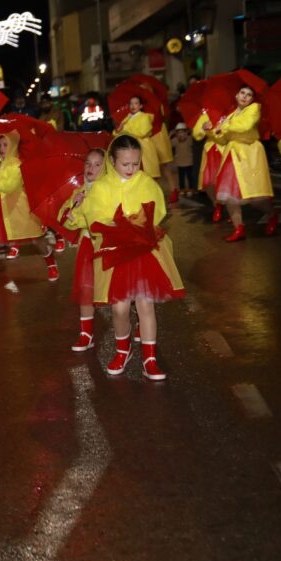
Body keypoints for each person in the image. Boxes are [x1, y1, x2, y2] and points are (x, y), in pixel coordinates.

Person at [72, 135, 185, 380]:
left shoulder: (146, 183)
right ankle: (124, 350)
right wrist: (113, 224)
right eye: (126, 164)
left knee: (145, 303)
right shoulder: (101, 188)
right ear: (112, 161)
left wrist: (137, 224)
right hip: (115, 252)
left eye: (135, 163)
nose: (132, 169)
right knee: (120, 308)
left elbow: (157, 211)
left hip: (142, 250)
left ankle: (150, 358)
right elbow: (94, 217)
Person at [0, 131, 58, 290]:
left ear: (13, 146)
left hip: (19, 210)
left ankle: (51, 262)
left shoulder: (17, 165)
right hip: (0, 210)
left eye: (5, 145)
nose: (1, 148)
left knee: (36, 240)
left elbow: (9, 186)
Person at [208, 85, 278, 242]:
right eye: (242, 93)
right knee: (230, 196)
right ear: (236, 95)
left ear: (252, 99)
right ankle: (239, 228)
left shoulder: (254, 109)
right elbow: (223, 139)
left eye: (249, 94)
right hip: (232, 156)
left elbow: (245, 126)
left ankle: (272, 214)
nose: (245, 97)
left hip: (249, 155)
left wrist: (224, 126)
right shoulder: (230, 115)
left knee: (254, 197)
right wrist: (210, 131)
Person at [59, 148, 106, 351]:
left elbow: (100, 219)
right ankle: (86, 333)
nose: (91, 168)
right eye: (88, 163)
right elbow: (68, 221)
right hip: (87, 244)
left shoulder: (108, 191)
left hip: (107, 244)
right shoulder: (79, 192)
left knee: (117, 290)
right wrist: (74, 209)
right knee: (86, 288)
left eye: (97, 164)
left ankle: (137, 324)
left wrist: (82, 213)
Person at [192, 107, 229, 224]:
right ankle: (217, 204)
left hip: (226, 150)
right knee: (208, 182)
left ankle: (232, 210)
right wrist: (203, 128)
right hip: (210, 151)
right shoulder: (206, 113)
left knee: (227, 182)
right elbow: (196, 134)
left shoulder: (232, 112)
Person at [113, 94, 161, 179]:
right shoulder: (127, 117)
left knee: (146, 175)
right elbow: (118, 133)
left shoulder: (144, 117)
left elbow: (142, 132)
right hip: (131, 147)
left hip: (143, 148)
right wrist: (119, 129)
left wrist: (124, 131)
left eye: (136, 103)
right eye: (131, 103)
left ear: (141, 106)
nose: (133, 106)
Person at [170, 122, 195, 197]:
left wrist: (191, 131)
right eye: (179, 133)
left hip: (189, 162)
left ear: (186, 132)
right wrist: (170, 135)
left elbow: (195, 137)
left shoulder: (189, 139)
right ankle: (182, 189)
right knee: (181, 178)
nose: (181, 135)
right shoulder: (175, 140)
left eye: (182, 132)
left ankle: (191, 188)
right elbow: (168, 145)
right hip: (180, 162)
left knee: (190, 176)